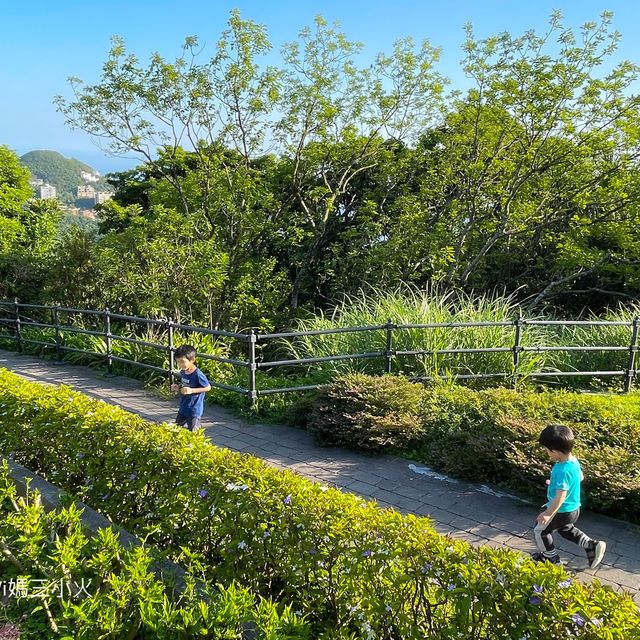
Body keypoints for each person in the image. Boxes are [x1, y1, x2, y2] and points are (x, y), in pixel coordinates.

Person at [531, 424, 606, 568]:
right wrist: (556, 483)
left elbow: (560, 497)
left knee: (540, 530)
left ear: (556, 451)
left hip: (561, 510)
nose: (547, 454)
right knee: (566, 530)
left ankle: (550, 558)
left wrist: (547, 513)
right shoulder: (573, 461)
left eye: (547, 451)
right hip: (574, 509)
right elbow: (580, 477)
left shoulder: (561, 469)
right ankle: (592, 545)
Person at [170, 344, 211, 432]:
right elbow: (184, 385)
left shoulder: (198, 374)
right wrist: (178, 387)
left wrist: (192, 390)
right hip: (183, 406)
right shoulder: (183, 372)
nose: (180, 364)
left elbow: (208, 388)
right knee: (176, 429)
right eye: (178, 362)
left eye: (182, 361)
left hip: (194, 409)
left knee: (193, 432)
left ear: (192, 360)